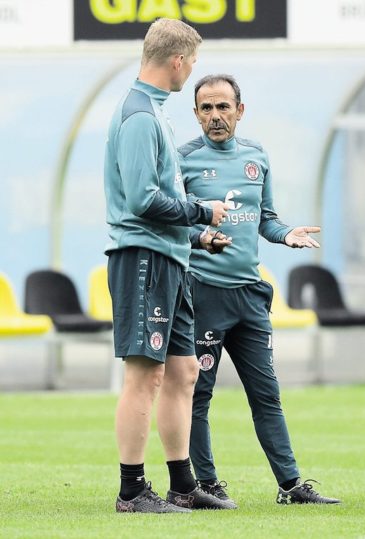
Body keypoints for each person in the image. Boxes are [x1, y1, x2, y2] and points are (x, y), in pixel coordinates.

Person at [178, 74, 341, 506]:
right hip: (204, 292)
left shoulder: (256, 157)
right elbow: (174, 221)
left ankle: (291, 486)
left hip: (250, 295)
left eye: (223, 107)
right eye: (206, 108)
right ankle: (206, 484)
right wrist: (200, 238)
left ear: (240, 110)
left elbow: (265, 217)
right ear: (195, 114)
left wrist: (286, 234)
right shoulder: (183, 160)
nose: (215, 116)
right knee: (199, 394)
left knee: (267, 394)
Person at [104, 18, 235, 513]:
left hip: (171, 258)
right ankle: (132, 490)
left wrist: (198, 235)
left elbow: (160, 199)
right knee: (145, 376)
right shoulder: (139, 115)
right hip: (143, 260)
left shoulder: (156, 112)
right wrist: (202, 211)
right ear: (178, 61)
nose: (192, 72)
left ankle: (183, 484)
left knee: (182, 372)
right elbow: (141, 199)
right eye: (193, 63)